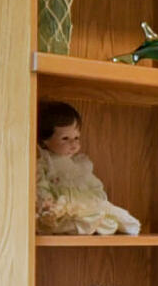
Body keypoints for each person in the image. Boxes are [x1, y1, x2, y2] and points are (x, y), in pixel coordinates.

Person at [35, 100, 139, 236]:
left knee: (107, 217)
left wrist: (99, 200)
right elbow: (40, 184)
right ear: (45, 140)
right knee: (65, 221)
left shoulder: (80, 164)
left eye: (76, 137)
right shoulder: (45, 161)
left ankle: (101, 222)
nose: (73, 144)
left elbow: (93, 184)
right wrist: (47, 203)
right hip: (61, 208)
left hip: (84, 204)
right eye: (65, 138)